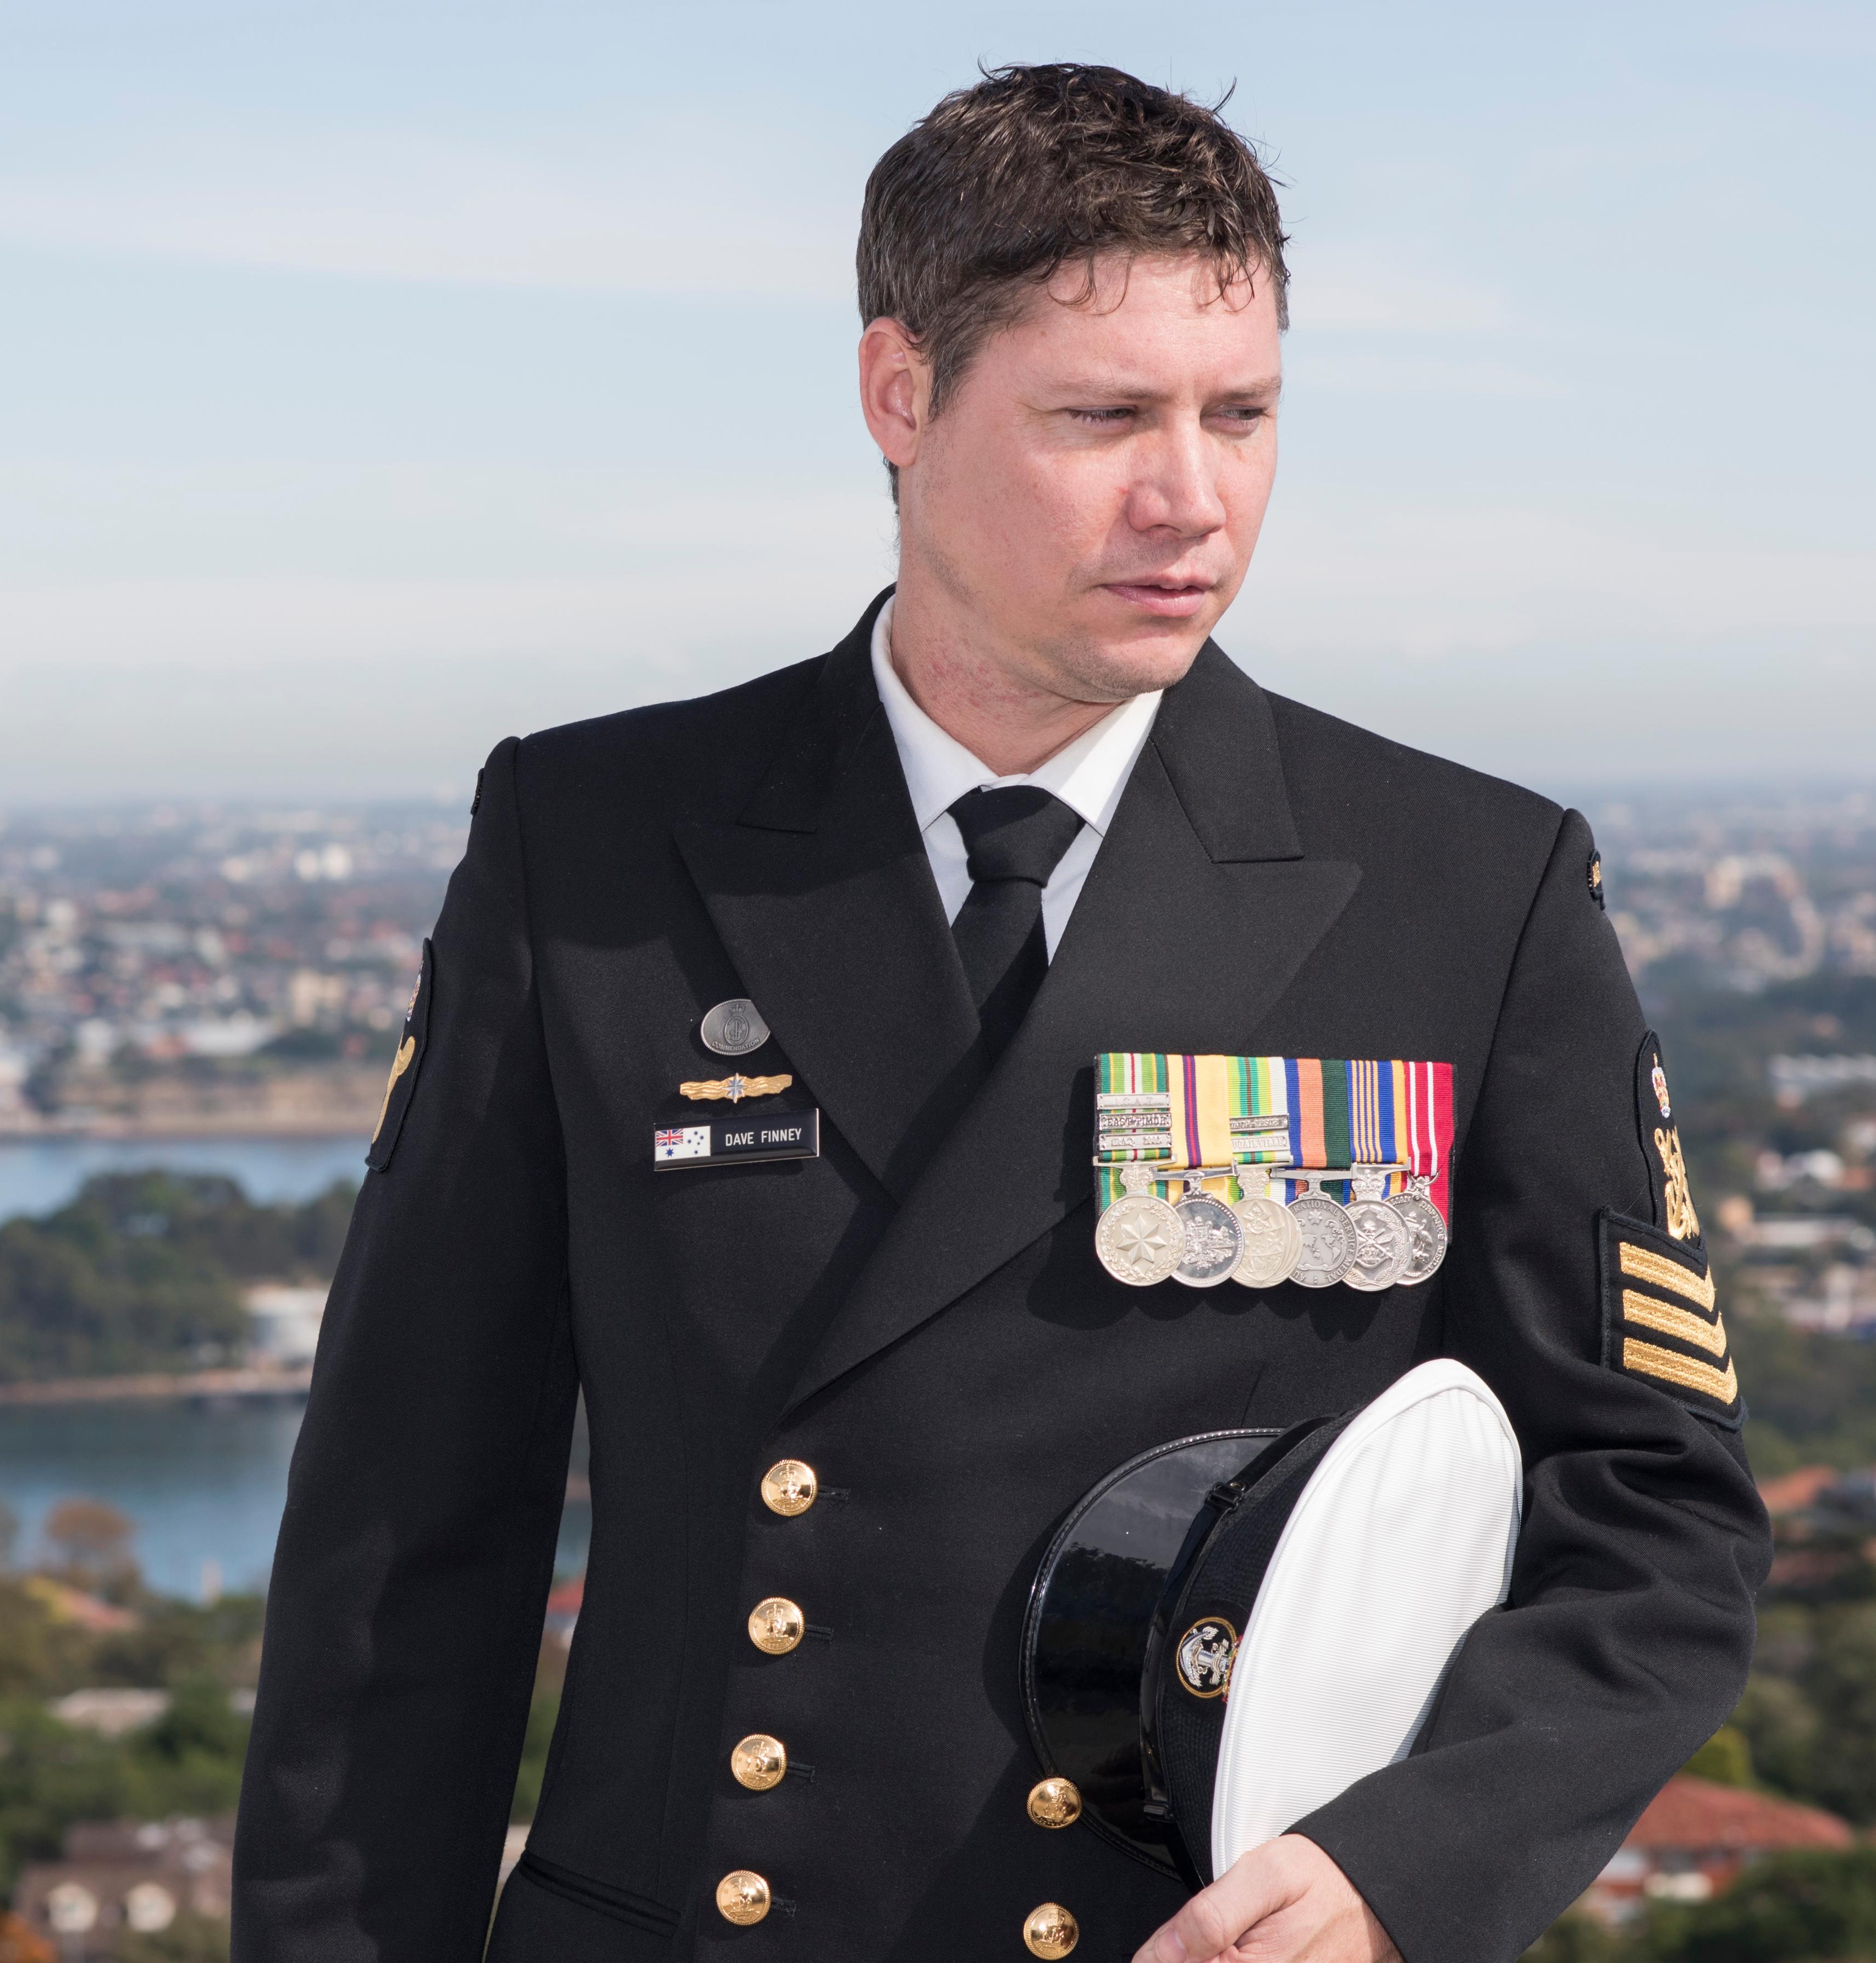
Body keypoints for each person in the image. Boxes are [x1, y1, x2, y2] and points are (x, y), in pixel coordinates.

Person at [235, 63, 1767, 1963]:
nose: (1191, 495)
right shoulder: (594, 845)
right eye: (1103, 415)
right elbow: (407, 1544)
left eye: (1244, 413)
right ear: (901, 394)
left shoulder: (1468, 887)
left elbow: (1656, 1516)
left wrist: (1406, 1866)